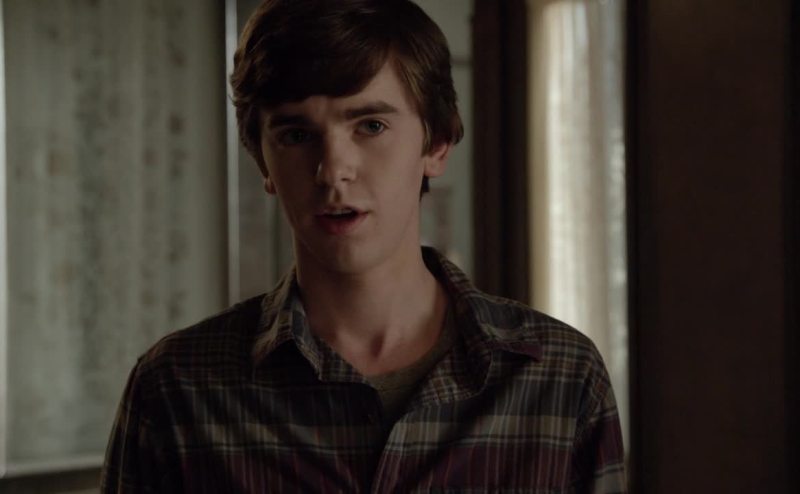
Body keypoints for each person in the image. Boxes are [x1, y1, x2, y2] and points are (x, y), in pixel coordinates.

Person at [100, 0, 626, 492]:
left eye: (370, 125)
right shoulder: (176, 390)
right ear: (263, 161)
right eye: (296, 135)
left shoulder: (559, 378)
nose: (333, 171)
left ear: (437, 143)